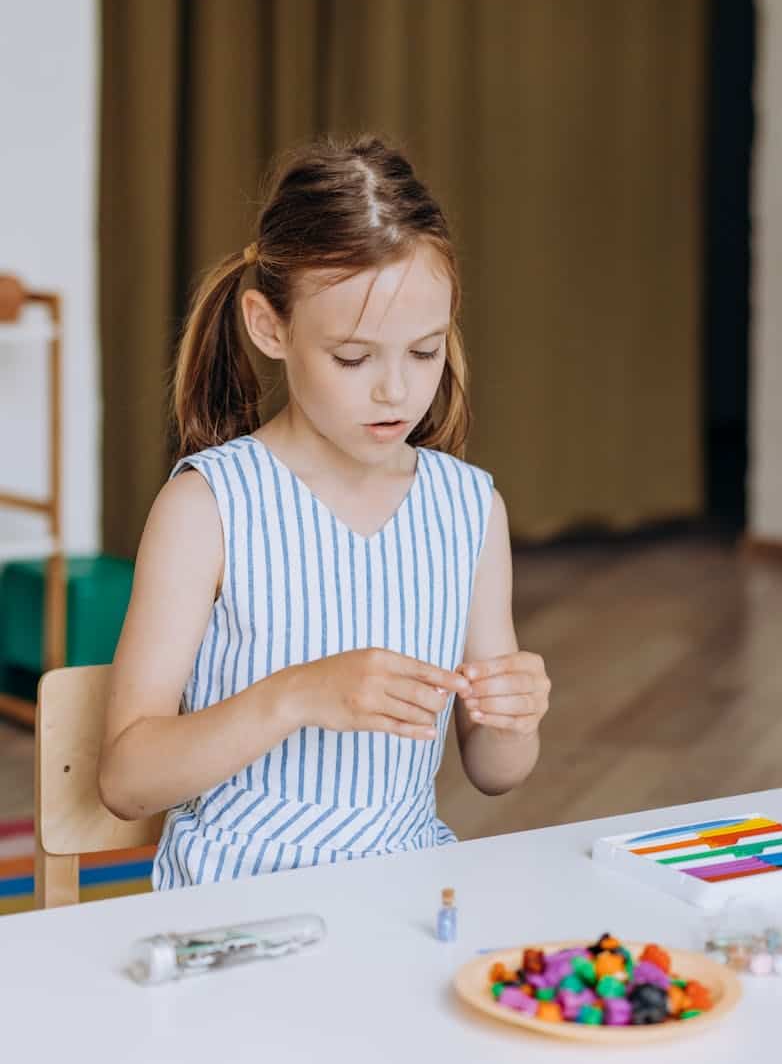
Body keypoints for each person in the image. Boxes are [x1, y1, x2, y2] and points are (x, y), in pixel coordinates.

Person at [98, 135, 550, 887]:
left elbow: (496, 773)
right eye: (352, 357)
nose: (395, 392)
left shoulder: (470, 507)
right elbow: (124, 781)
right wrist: (296, 695)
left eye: (424, 351)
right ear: (268, 327)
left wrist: (515, 713)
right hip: (233, 899)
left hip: (403, 891)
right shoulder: (206, 507)